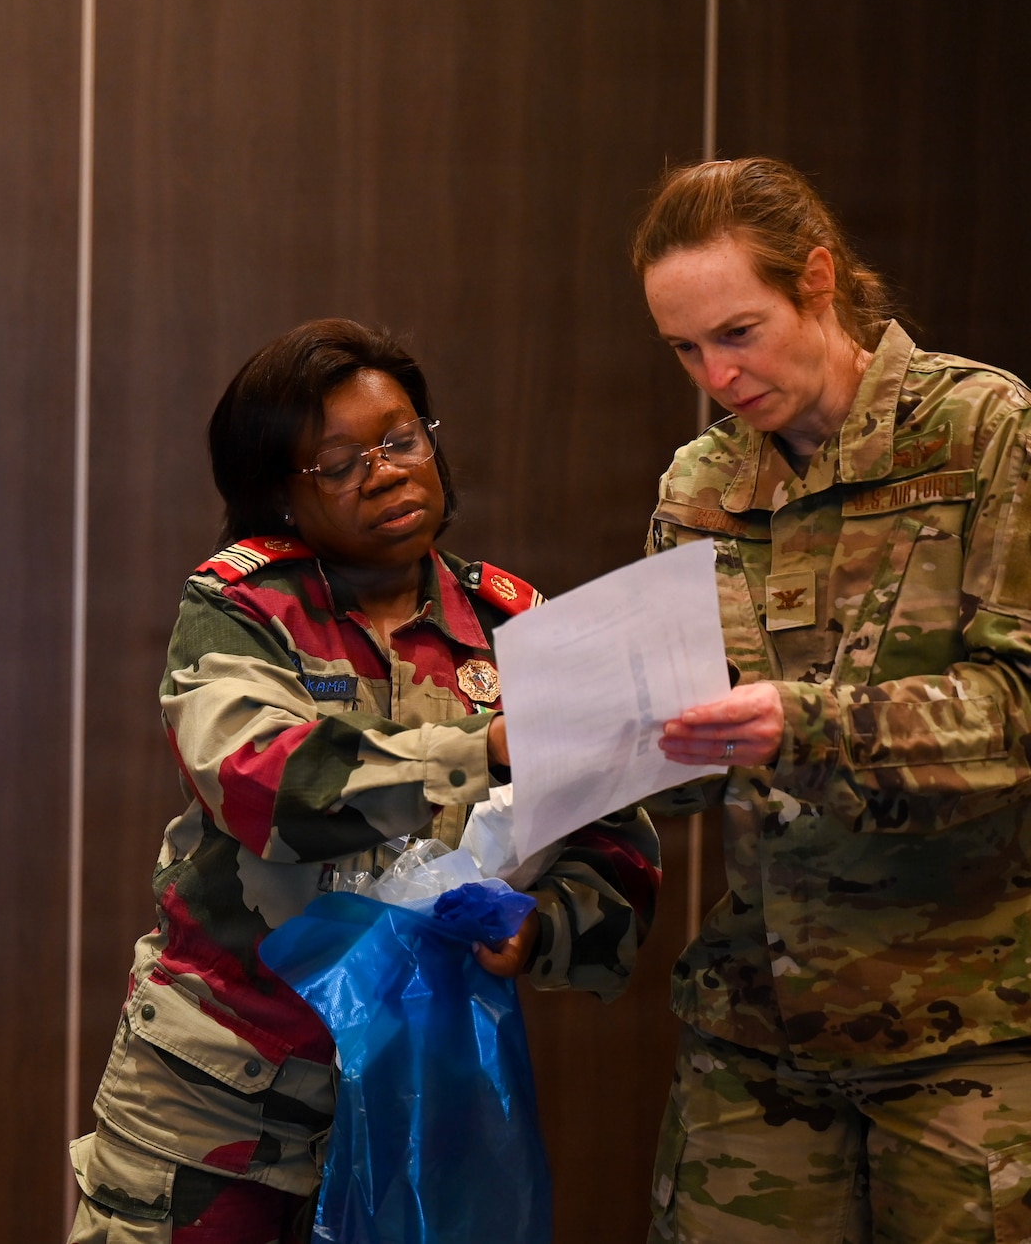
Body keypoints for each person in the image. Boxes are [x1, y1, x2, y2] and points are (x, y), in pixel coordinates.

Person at [69, 318, 663, 1244]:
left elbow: (619, 848)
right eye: (338, 462)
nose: (385, 471)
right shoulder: (240, 608)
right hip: (223, 1098)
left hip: (426, 1104)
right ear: (278, 495)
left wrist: (542, 930)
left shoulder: (523, 627)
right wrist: (491, 747)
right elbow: (268, 785)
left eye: (400, 439)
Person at [638, 157, 1031, 1240]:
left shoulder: (981, 430)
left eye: (736, 332)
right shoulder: (700, 485)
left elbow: (1017, 704)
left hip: (968, 1031)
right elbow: (676, 753)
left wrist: (804, 722)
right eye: (684, 347)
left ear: (816, 279)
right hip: (754, 1032)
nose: (715, 374)